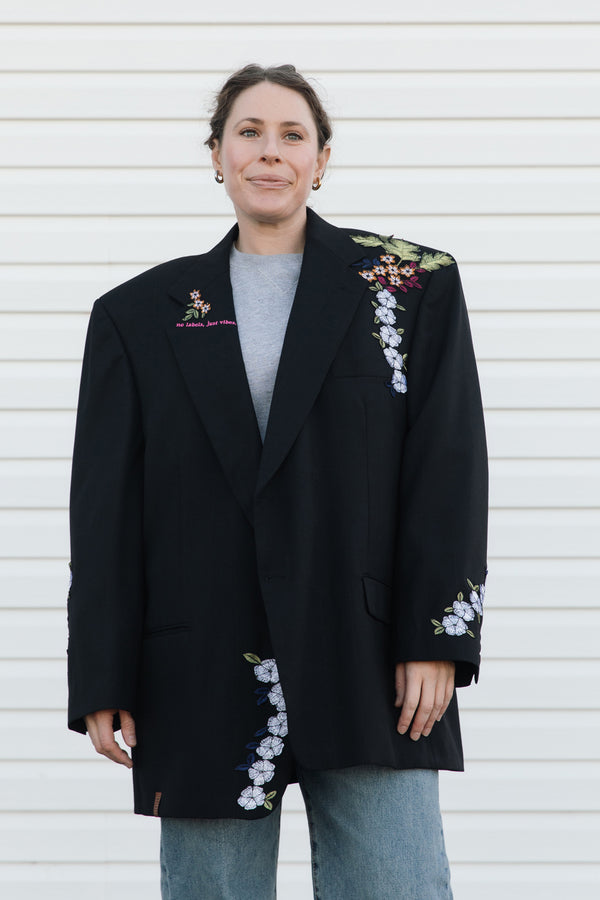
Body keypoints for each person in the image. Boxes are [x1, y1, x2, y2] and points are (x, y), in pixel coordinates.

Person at [67, 63, 488, 899]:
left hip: (370, 657)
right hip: (198, 660)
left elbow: (447, 468)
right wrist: (102, 676)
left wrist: (435, 639)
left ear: (322, 159)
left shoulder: (410, 285)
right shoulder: (139, 314)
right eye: (248, 133)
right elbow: (106, 510)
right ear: (217, 156)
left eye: (292, 135)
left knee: (398, 884)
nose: (270, 152)